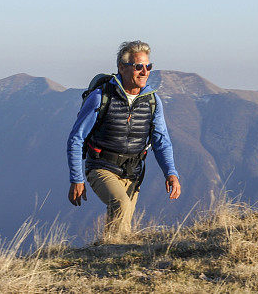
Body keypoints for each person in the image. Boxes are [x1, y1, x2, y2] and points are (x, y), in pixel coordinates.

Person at [66, 40, 181, 236]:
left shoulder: (152, 101)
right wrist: (77, 179)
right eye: (138, 67)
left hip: (133, 173)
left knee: (121, 228)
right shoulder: (101, 97)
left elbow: (162, 141)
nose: (144, 72)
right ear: (122, 67)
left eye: (148, 66)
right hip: (101, 167)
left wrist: (171, 173)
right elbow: (76, 138)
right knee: (121, 204)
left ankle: (107, 259)